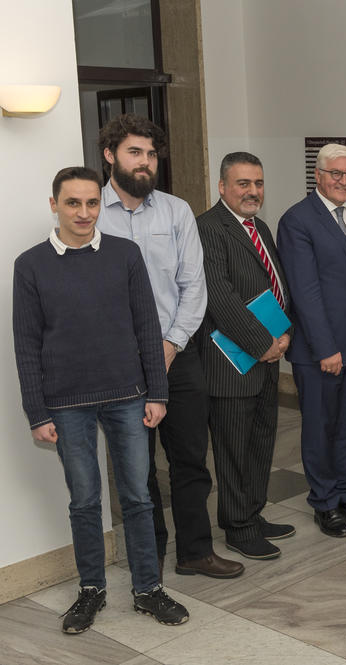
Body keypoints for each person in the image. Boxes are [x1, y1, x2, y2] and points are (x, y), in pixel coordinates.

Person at [13, 167, 188, 633]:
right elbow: (26, 345)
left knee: (137, 498)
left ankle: (148, 589)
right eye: (73, 203)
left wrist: (158, 391)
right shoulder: (29, 265)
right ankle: (91, 589)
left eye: (92, 203)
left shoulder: (125, 255)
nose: (84, 213)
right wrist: (37, 412)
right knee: (85, 501)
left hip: (129, 397)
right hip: (66, 404)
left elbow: (147, 328)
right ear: (55, 205)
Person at [96, 114, 242, 579]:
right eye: (134, 152)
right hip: (119, 363)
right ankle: (149, 556)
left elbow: (192, 285)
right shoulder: (89, 213)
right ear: (110, 155)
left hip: (178, 358)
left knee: (191, 461)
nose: (144, 162)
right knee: (135, 470)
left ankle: (196, 552)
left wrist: (172, 343)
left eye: (151, 154)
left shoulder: (176, 210)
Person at [196, 152, 295, 560]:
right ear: (223, 187)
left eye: (258, 183)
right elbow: (220, 296)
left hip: (267, 357)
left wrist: (283, 332)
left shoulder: (260, 226)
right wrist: (263, 342)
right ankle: (237, 527)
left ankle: (253, 514)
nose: (252, 191)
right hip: (231, 362)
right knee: (233, 450)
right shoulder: (208, 228)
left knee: (261, 442)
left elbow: (274, 286)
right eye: (243, 183)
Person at [277, 143, 346, 538]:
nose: (343, 181)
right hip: (320, 349)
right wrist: (325, 348)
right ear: (317, 175)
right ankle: (324, 501)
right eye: (336, 173)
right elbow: (305, 291)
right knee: (321, 426)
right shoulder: (297, 220)